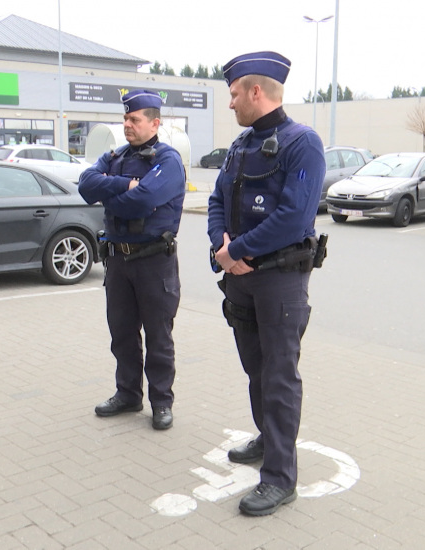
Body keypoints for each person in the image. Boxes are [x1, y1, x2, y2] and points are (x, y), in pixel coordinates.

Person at [207, 52, 326, 516]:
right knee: (255, 369)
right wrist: (222, 244)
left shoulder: (302, 143)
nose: (231, 102)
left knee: (278, 377)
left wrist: (234, 252)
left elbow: (294, 218)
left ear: (257, 92)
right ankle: (267, 438)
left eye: (234, 93)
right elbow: (217, 199)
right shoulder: (241, 145)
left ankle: (280, 477)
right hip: (241, 282)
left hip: (279, 281)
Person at [79, 89, 186, 431]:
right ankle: (127, 394)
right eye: (125, 118)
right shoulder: (116, 157)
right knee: (122, 333)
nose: (127, 124)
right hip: (119, 263)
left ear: (155, 123)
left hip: (154, 261)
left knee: (158, 337)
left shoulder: (167, 161)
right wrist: (126, 185)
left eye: (134, 119)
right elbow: (85, 185)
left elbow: (145, 200)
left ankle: (161, 402)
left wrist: (112, 195)